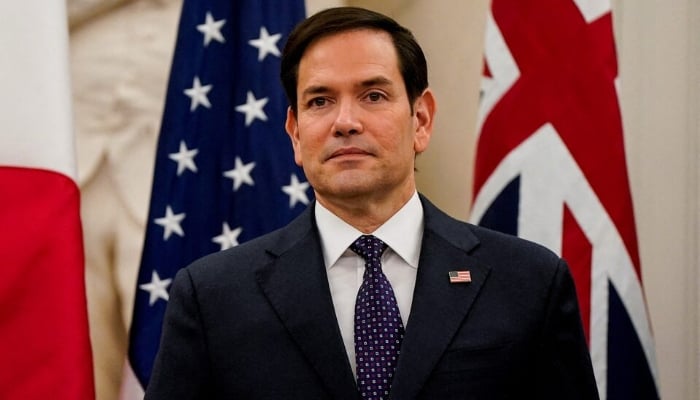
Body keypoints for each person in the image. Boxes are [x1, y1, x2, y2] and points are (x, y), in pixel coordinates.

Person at [145, 6, 599, 400]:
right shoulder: (212, 297)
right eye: (320, 101)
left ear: (421, 120)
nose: (345, 122)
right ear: (296, 134)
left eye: (373, 96)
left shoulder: (528, 283)